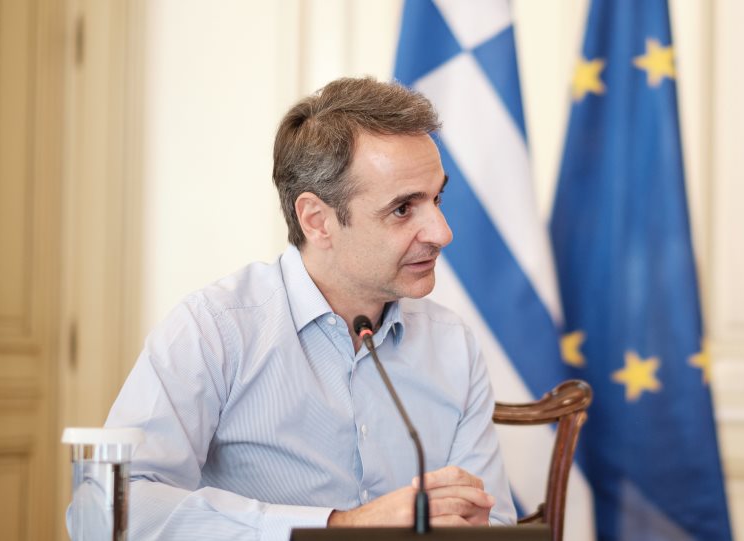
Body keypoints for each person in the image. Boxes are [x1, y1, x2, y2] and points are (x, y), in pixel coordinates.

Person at [91, 77, 517, 540]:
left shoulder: (452, 343)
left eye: (436, 199)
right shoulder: (214, 328)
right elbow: (107, 510)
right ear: (317, 220)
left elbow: (491, 523)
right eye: (402, 209)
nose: (441, 232)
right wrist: (339, 527)